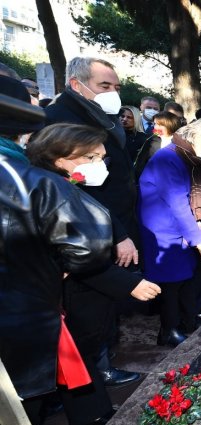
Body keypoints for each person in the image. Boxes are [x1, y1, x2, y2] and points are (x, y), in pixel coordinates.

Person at [26, 123, 162, 425]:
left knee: (79, 357)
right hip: (66, 298)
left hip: (78, 297)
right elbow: (76, 259)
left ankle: (89, 411)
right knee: (74, 356)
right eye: (91, 157)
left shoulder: (62, 186)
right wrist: (130, 284)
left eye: (102, 158)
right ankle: (86, 412)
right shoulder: (50, 192)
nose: (99, 165)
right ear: (60, 158)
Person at [0, 76, 112, 425]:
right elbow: (88, 245)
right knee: (21, 414)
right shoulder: (29, 178)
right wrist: (57, 266)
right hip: (24, 312)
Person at [43, 56, 142, 386]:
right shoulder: (59, 119)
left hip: (110, 222)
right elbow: (80, 192)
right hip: (91, 230)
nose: (113, 93)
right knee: (89, 307)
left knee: (103, 306)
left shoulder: (103, 114)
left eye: (116, 87)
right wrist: (117, 233)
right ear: (76, 85)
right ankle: (92, 375)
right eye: (104, 86)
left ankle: (99, 362)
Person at [139, 117, 201, 346]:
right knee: (170, 282)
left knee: (185, 278)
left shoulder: (191, 159)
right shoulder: (168, 158)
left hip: (182, 229)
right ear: (199, 138)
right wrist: (199, 241)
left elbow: (196, 199)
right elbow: (178, 204)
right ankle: (168, 330)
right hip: (163, 231)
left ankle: (184, 321)